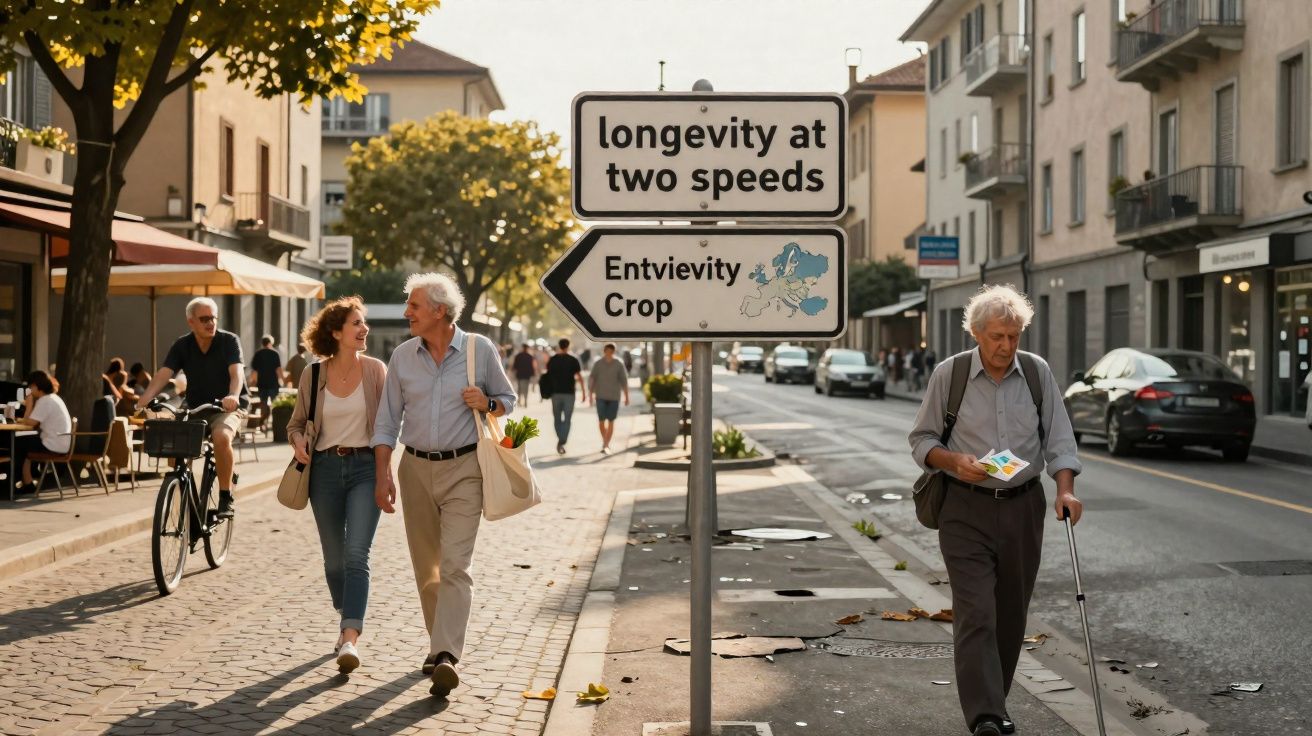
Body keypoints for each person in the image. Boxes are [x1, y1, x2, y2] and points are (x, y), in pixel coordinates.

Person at [908, 285, 1083, 736]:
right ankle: (985, 715)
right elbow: (922, 440)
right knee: (977, 612)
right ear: (977, 334)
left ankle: (995, 703)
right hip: (964, 508)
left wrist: (1065, 491)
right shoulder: (952, 375)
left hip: (1024, 508)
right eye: (997, 337)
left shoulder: (1038, 373)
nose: (1006, 346)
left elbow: (1059, 441)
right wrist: (953, 462)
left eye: (1014, 336)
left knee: (1009, 615)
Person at [371, 273, 516, 699]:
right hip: (414, 468)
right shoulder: (402, 356)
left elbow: (508, 399)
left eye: (413, 306)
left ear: (440, 311)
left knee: (455, 565)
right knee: (427, 568)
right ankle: (439, 645)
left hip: (465, 469)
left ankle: (446, 654)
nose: (406, 313)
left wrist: (487, 403)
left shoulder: (478, 349)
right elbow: (386, 420)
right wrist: (384, 474)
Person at [287, 297, 386, 675]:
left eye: (364, 323)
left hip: (365, 468)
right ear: (335, 332)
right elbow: (296, 424)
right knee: (334, 561)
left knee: (357, 555)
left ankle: (349, 636)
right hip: (324, 471)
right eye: (356, 324)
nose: (364, 330)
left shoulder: (377, 371)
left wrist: (385, 472)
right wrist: (298, 441)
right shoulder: (313, 375)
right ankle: (347, 612)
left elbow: (389, 424)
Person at [135, 297, 248, 520]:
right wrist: (142, 401)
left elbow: (237, 374)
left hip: (226, 407)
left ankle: (226, 496)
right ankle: (180, 486)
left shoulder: (229, 341)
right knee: (174, 443)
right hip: (196, 406)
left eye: (213, 318)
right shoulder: (182, 345)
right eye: (204, 319)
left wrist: (233, 396)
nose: (210, 323)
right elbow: (163, 375)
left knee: (221, 437)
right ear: (191, 322)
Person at [11, 371, 72, 495]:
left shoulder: (45, 400)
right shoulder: (53, 398)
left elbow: (30, 423)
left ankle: (14, 482)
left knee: (16, 444)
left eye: (30, 387)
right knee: (23, 443)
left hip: (52, 445)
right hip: (60, 443)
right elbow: (32, 422)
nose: (29, 390)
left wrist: (29, 405)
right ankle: (27, 483)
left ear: (36, 385)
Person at [545, 338, 587, 455]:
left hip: (555, 393)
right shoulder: (573, 359)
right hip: (569, 393)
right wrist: (584, 392)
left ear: (559, 346)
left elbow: (547, 375)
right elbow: (579, 376)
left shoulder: (553, 359)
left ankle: (560, 439)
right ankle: (562, 440)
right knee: (567, 419)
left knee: (557, 418)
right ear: (568, 346)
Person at [588, 343, 630, 454]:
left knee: (611, 420)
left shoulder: (618, 364)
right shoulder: (598, 363)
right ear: (604, 351)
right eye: (607, 350)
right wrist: (590, 394)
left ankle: (606, 444)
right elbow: (592, 378)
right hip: (600, 396)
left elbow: (624, 381)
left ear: (613, 352)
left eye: (611, 351)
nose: (609, 353)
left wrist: (626, 396)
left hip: (614, 396)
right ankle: (605, 441)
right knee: (601, 420)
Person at [250, 335, 286, 407]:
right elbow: (278, 369)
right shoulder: (275, 354)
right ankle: (273, 417)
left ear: (262, 343)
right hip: (273, 384)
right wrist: (283, 380)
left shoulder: (258, 354)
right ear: (271, 343)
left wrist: (253, 382)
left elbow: (254, 371)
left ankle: (264, 417)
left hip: (262, 384)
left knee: (263, 404)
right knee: (274, 404)